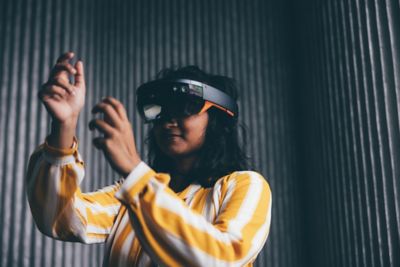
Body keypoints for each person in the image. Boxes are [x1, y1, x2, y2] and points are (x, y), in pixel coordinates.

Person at [26, 52, 272, 267]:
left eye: (185, 106)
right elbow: (60, 218)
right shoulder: (131, 193)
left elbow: (221, 258)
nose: (167, 119)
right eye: (158, 108)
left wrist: (136, 172)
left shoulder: (245, 186)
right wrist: (64, 126)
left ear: (218, 119)